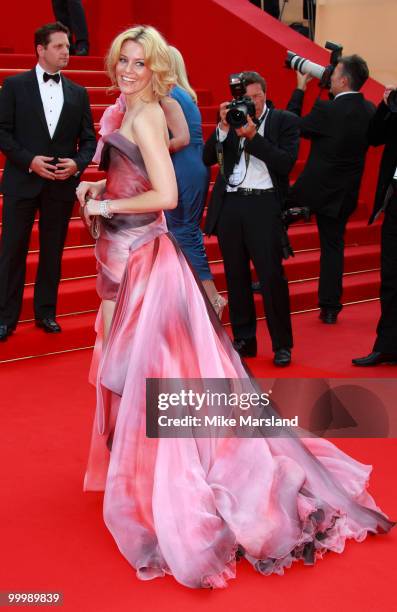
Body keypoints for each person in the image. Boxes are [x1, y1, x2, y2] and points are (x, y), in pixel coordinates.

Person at [78, 26, 393, 589]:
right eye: (122, 60)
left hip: (146, 259)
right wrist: (94, 191)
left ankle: (179, 485)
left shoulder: (148, 115)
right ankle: (147, 475)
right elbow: (132, 176)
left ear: (156, 69)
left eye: (139, 63)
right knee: (137, 375)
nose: (127, 70)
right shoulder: (125, 106)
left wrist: (104, 200)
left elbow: (168, 197)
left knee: (159, 377)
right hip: (122, 253)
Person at [0, 22, 96, 341]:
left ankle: (46, 313)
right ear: (40, 49)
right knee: (12, 250)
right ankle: (5, 318)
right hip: (22, 182)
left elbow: (89, 140)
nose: (66, 52)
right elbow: (3, 131)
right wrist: (29, 160)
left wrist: (77, 164)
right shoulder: (14, 86)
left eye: (68, 46)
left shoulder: (78, 93)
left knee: (52, 251)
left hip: (60, 185)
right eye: (59, 46)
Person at [203, 71, 299, 366]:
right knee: (235, 275)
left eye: (257, 97)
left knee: (271, 276)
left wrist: (254, 137)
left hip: (263, 204)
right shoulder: (232, 120)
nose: (252, 103)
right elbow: (209, 158)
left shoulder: (283, 121)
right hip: (231, 204)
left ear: (266, 95)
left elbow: (285, 162)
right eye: (247, 98)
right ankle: (245, 338)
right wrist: (221, 128)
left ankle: (282, 344)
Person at [287, 55, 375, 324]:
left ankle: (265, 278)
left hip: (311, 191)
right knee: (333, 246)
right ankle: (330, 307)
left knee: (272, 220)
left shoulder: (327, 110)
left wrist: (301, 89)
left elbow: (293, 126)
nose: (329, 76)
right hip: (344, 194)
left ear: (344, 80)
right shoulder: (370, 110)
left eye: (334, 74)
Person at [161, 46, 227, 317]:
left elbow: (170, 140)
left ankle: (211, 297)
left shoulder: (169, 95)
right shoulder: (185, 94)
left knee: (184, 232)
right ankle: (194, 298)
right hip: (192, 167)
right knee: (184, 232)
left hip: (181, 168)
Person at [352, 86, 397, 366]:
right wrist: (385, 106)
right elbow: (373, 137)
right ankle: (388, 345)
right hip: (394, 199)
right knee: (391, 277)